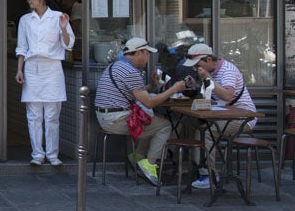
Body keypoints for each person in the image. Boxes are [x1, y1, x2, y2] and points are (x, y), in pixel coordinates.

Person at [94, 37, 187, 185]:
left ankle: (137, 156)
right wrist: (174, 89)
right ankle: (149, 164)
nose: (148, 57)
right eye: (147, 53)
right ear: (139, 53)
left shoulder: (116, 66)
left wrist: (151, 85)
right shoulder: (131, 72)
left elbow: (136, 93)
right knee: (164, 125)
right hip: (116, 119)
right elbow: (148, 102)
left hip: (105, 116)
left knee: (150, 120)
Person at [183, 43, 257, 190]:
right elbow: (211, 93)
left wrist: (208, 77)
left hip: (243, 117)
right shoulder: (211, 71)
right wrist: (196, 85)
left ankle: (209, 175)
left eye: (198, 66)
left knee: (206, 133)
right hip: (223, 114)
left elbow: (227, 96)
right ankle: (197, 167)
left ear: (209, 59)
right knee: (189, 124)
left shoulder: (227, 70)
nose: (197, 69)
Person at [15, 0, 74, 166]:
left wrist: (63, 28)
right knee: (33, 115)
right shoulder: (25, 20)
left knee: (51, 115)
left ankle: (52, 154)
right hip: (32, 68)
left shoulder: (58, 17)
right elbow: (22, 47)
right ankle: (37, 155)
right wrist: (19, 69)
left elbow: (69, 44)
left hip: (52, 68)